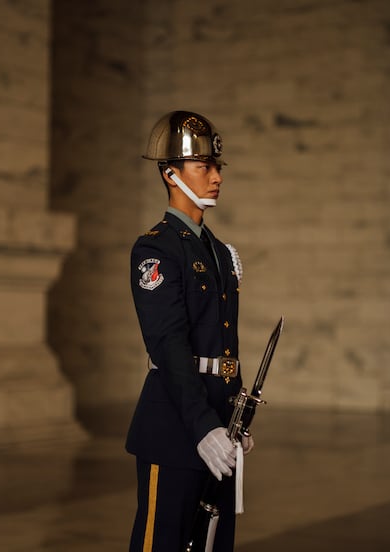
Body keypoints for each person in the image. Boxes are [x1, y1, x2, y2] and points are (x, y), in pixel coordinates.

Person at [125, 110, 254, 551]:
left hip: (220, 427)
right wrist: (203, 427)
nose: (216, 176)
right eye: (204, 167)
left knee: (214, 543)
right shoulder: (155, 248)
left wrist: (235, 415)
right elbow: (168, 344)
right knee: (163, 543)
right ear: (170, 173)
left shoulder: (219, 251)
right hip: (176, 427)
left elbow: (223, 344)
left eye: (217, 167)